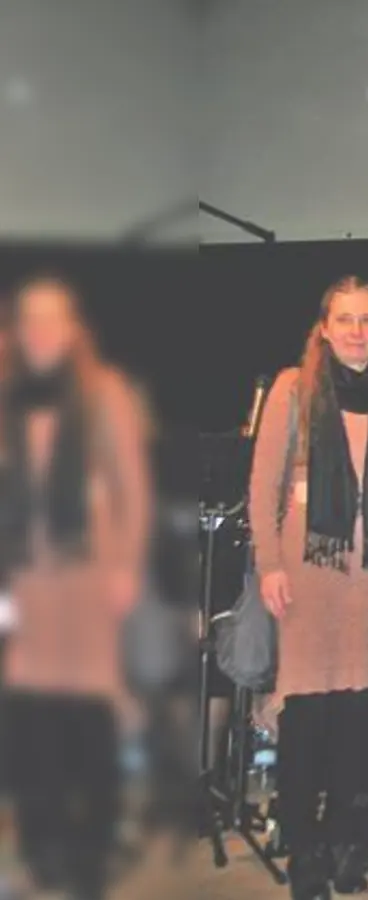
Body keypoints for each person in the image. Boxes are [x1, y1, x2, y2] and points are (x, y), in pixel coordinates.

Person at [0, 275, 152, 900]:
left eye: (52, 319)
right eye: (29, 320)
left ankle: (91, 854)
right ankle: (43, 849)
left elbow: (131, 489)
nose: (40, 332)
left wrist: (124, 569)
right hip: (18, 587)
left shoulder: (105, 394)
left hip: (88, 581)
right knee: (29, 728)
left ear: (72, 328)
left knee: (89, 720)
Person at [249, 276, 368, 899]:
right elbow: (263, 487)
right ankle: (304, 853)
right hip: (307, 569)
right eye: (346, 319)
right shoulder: (293, 387)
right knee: (307, 716)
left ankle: (350, 847)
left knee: (359, 719)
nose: (357, 331)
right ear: (325, 327)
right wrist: (268, 566)